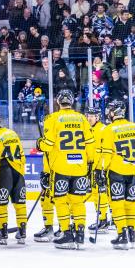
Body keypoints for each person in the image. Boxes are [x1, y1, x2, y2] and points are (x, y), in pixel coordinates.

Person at [38, 89, 96, 250]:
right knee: (78, 202)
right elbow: (90, 143)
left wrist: (39, 144)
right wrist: (90, 163)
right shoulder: (82, 119)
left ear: (58, 101)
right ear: (71, 101)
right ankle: (80, 233)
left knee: (61, 201)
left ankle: (66, 234)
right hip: (80, 167)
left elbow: (48, 145)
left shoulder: (53, 118)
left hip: (61, 167)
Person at [97, 100, 135, 250]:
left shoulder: (109, 129)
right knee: (131, 205)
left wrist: (100, 171)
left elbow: (106, 155)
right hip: (132, 172)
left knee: (117, 205)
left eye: (110, 110)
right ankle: (132, 234)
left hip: (116, 172)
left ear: (114, 113)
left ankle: (122, 234)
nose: (109, 113)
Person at [0, 113, 27, 245]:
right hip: (18, 172)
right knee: (20, 204)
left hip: (4, 172)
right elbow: (22, 155)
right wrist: (20, 172)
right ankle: (22, 231)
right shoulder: (12, 133)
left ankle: (3, 233)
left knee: (1, 204)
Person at [85, 107, 111, 234]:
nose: (90, 118)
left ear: (98, 117)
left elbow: (106, 150)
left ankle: (104, 220)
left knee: (102, 194)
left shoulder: (103, 129)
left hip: (101, 168)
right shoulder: (86, 129)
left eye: (92, 116)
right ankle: (103, 219)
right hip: (92, 168)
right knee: (96, 194)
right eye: (88, 115)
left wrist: (101, 168)